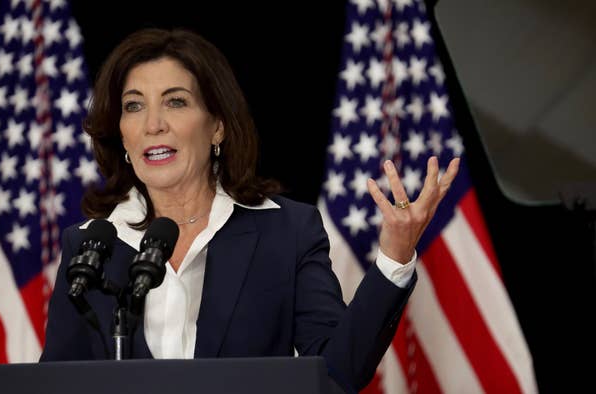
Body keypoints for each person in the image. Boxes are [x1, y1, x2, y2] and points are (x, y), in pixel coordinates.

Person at [40, 27, 460, 393]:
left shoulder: (286, 231)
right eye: (134, 106)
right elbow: (55, 384)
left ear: (217, 126)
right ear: (122, 135)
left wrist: (394, 257)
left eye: (175, 102)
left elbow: (338, 370)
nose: (153, 124)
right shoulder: (92, 245)